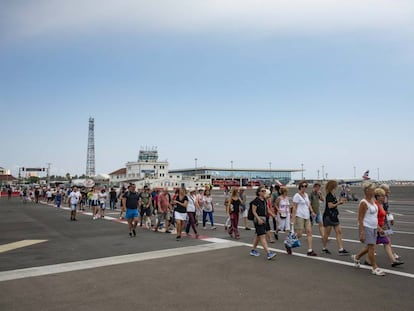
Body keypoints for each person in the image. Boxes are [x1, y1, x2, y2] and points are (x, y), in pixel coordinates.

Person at [352, 183, 386, 276]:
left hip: (374, 227)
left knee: (370, 246)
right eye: (372, 189)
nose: (374, 191)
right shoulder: (363, 202)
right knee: (371, 247)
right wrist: (362, 232)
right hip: (366, 227)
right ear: (367, 191)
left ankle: (357, 257)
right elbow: (360, 218)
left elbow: (374, 216)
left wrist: (378, 228)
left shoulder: (373, 200)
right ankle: (374, 268)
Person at [373, 188, 403, 267]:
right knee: (370, 246)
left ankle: (393, 261)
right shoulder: (375, 205)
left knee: (386, 242)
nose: (384, 197)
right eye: (382, 196)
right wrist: (379, 228)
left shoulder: (380, 204)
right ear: (377, 196)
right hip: (376, 228)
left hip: (381, 227)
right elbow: (373, 218)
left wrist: (389, 216)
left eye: (384, 195)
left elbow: (383, 214)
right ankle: (358, 256)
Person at [321, 180, 349, 255]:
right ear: (333, 186)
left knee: (339, 231)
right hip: (329, 216)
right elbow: (330, 206)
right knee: (327, 233)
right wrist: (339, 203)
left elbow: (334, 204)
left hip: (334, 216)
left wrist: (339, 202)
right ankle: (324, 248)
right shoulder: (329, 195)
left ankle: (341, 249)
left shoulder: (333, 194)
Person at [249, 186, 277, 260]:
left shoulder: (264, 200)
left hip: (264, 219)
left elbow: (267, 209)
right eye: (262, 191)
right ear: (259, 192)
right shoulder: (256, 201)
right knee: (262, 236)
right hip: (258, 220)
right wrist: (258, 219)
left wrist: (273, 215)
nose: (264, 192)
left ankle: (253, 250)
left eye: (264, 191)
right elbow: (253, 211)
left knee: (258, 236)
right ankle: (268, 253)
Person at [291, 181, 317, 256]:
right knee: (299, 234)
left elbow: (308, 205)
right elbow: (294, 207)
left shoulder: (306, 195)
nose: (304, 187)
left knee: (309, 232)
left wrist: (312, 212)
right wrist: (293, 217)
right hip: (300, 215)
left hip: (307, 216)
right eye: (303, 186)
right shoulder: (296, 195)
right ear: (300, 187)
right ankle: (289, 242)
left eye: (305, 186)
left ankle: (310, 250)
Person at [275, 186, 291, 252]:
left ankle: (287, 241)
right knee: (281, 227)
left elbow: (288, 205)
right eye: (285, 192)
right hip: (281, 213)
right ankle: (276, 231)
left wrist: (290, 212)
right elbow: (275, 205)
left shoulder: (287, 198)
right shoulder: (279, 198)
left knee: (287, 227)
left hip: (287, 213)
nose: (286, 193)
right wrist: (278, 210)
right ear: (283, 192)